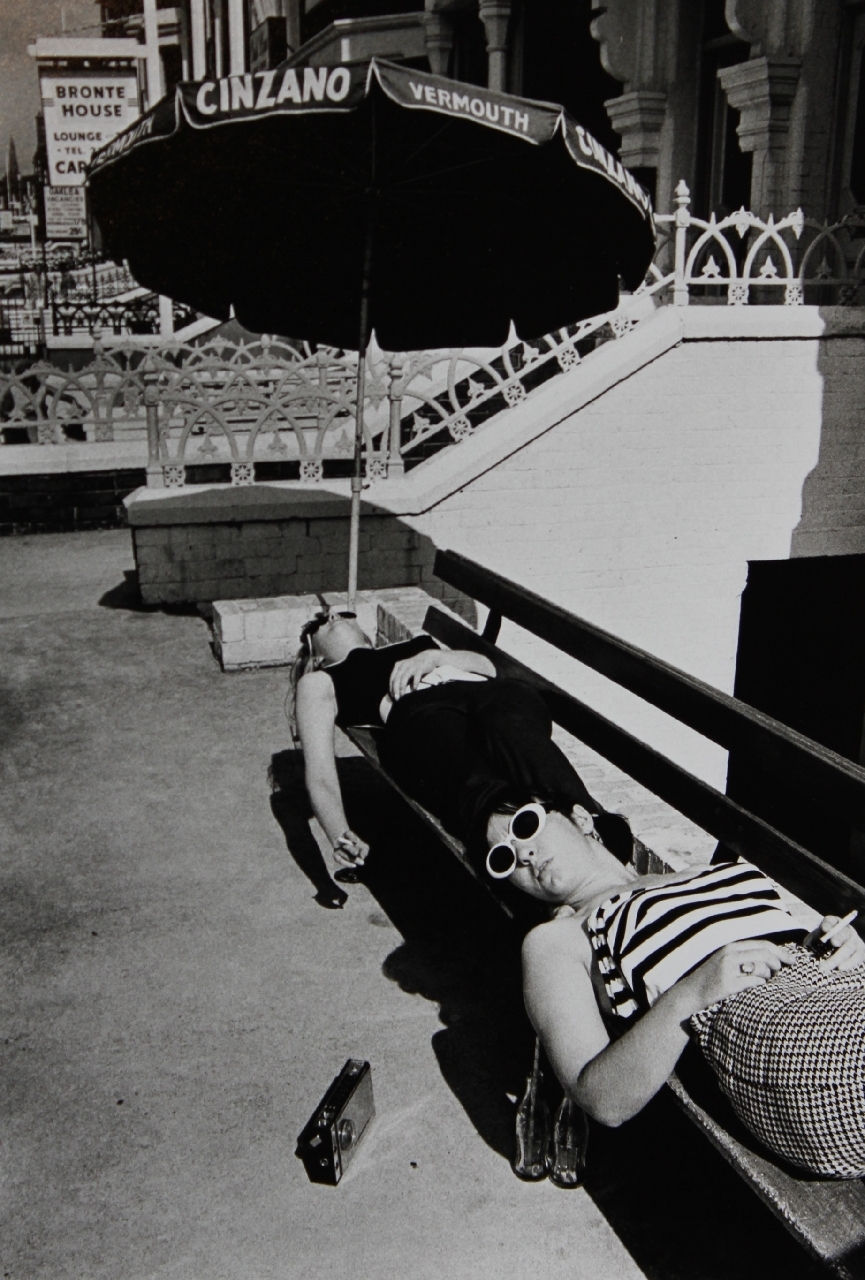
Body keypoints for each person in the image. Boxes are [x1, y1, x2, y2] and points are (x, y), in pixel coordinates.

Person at [483, 790, 865, 1178]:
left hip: (834, 994)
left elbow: (768, 941)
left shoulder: (696, 873)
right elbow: (600, 1099)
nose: (524, 855)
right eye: (504, 859)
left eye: (525, 826)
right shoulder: (558, 937)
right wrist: (694, 992)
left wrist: (829, 943)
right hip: (772, 1036)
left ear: (580, 818)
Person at [289, 608, 614, 876]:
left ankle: (594, 826)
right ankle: (517, 850)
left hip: (488, 694)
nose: (332, 617)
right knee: (461, 757)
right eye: (319, 621)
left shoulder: (416, 647)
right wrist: (339, 834)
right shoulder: (320, 680)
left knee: (512, 725)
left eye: (341, 614)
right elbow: (320, 773)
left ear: (366, 634)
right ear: (315, 656)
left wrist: (432, 658)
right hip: (417, 712)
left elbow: (491, 668)